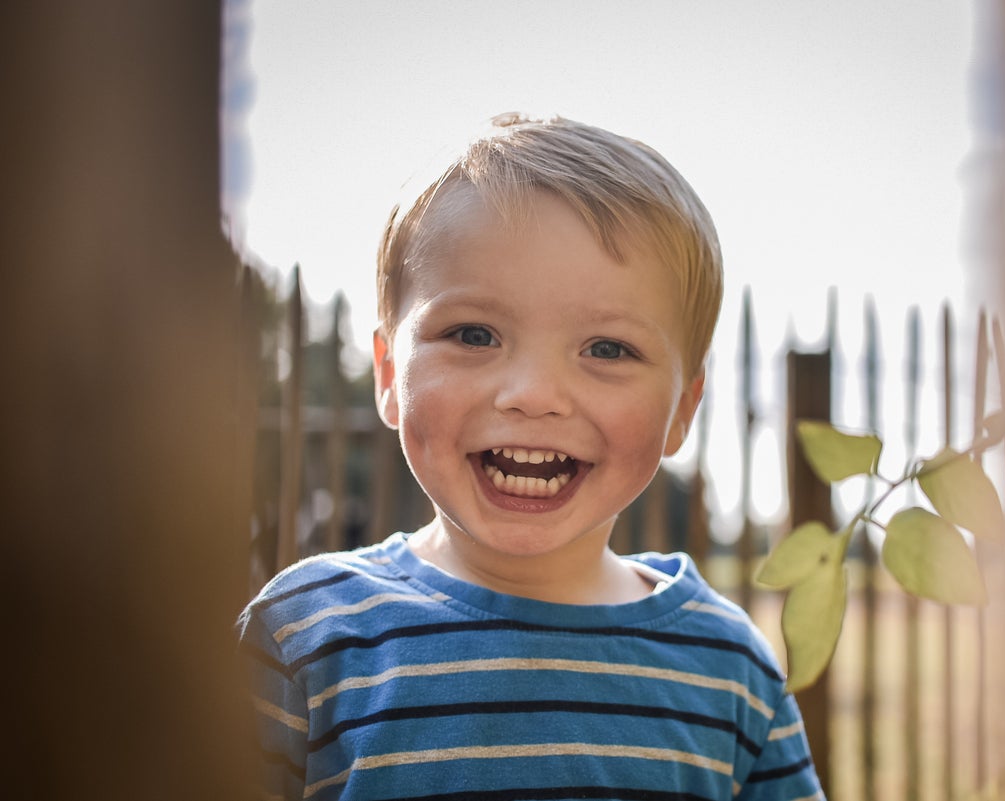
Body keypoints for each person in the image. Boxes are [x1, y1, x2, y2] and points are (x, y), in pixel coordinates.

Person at [238, 113, 825, 801]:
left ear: (683, 412)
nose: (534, 395)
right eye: (474, 333)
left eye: (607, 348)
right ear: (390, 375)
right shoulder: (302, 637)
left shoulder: (730, 671)